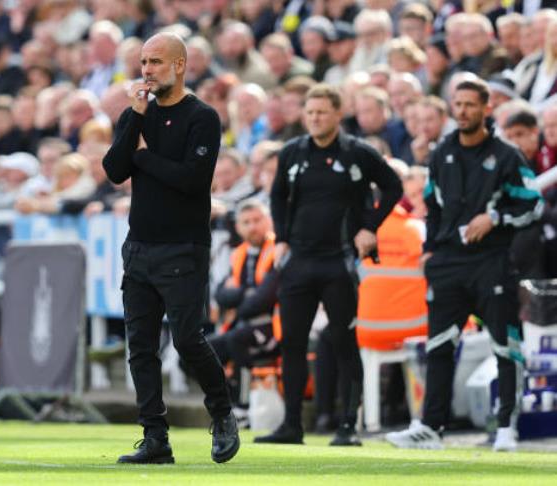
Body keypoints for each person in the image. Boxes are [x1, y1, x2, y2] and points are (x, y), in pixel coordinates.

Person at [102, 32, 239, 465]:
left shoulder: (202, 117)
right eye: (143, 62)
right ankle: (155, 437)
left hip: (183, 247)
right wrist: (134, 121)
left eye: (156, 62)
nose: (146, 70)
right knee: (140, 347)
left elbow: (191, 180)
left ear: (179, 65)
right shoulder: (137, 113)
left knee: (186, 339)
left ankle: (221, 412)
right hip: (140, 246)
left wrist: (142, 158)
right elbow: (113, 169)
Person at [386, 79, 544, 452]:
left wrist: (495, 218)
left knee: (505, 345)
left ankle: (506, 425)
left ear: (486, 109)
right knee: (439, 346)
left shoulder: (506, 155)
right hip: (449, 264)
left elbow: (532, 204)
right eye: (457, 104)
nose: (463, 111)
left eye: (470, 104)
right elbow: (432, 206)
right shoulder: (442, 153)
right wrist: (429, 250)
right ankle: (430, 427)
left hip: (492, 262)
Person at [255, 83, 402, 446]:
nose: (315, 118)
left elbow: (393, 186)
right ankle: (292, 425)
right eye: (310, 112)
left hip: (339, 262)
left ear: (338, 114)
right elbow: (277, 197)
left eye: (322, 112)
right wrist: (283, 237)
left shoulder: (358, 153)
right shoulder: (292, 152)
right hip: (299, 261)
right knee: (291, 342)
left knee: (343, 341)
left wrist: (370, 226)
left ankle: (348, 425)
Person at [208, 199, 280, 416]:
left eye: (257, 220)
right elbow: (221, 294)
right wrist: (244, 294)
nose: (252, 226)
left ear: (268, 221)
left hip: (273, 328)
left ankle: (244, 405)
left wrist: (238, 300)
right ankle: (227, 400)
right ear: (238, 227)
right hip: (243, 324)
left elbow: (264, 298)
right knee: (197, 350)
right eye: (246, 222)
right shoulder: (238, 254)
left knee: (236, 339)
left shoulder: (278, 250)